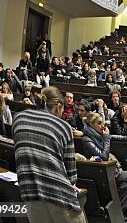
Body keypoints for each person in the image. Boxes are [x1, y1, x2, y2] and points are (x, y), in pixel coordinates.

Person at [12, 87, 88, 222]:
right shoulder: (63, 127)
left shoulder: (18, 118)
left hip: (29, 193)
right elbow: (71, 176)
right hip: (59, 197)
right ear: (59, 106)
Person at [81, 113, 127, 219]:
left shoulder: (98, 134)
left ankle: (118, 213)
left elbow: (116, 136)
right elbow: (103, 156)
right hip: (99, 172)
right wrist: (106, 138)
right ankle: (120, 211)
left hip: (106, 170)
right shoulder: (87, 139)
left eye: (103, 123)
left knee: (126, 185)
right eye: (99, 123)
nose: (103, 126)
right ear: (91, 124)